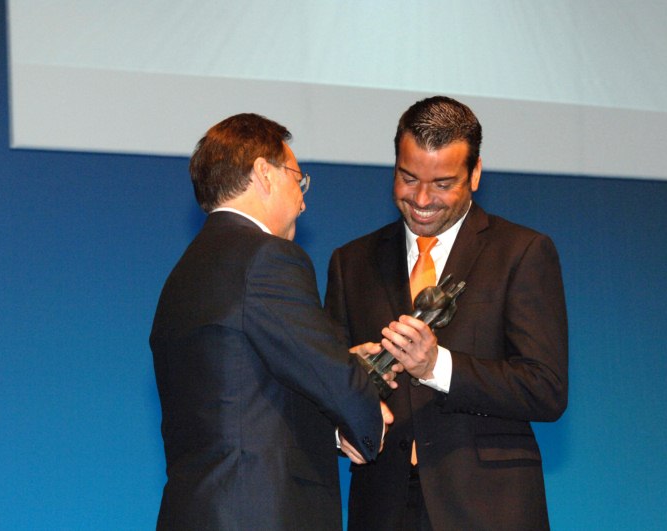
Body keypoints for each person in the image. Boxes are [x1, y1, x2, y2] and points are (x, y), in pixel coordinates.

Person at [325, 96, 568, 530]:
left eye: (442, 183)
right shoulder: (351, 261)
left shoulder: (522, 252)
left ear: (475, 175)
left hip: (489, 508)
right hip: (382, 508)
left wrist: (436, 365)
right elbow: (329, 384)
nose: (421, 198)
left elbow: (545, 389)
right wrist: (346, 423)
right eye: (407, 177)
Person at [150, 113, 392, 530]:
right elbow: (330, 375)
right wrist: (365, 417)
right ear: (264, 172)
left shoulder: (182, 275)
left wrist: (332, 431)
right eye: (298, 179)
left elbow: (243, 397)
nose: (302, 200)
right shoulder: (268, 258)